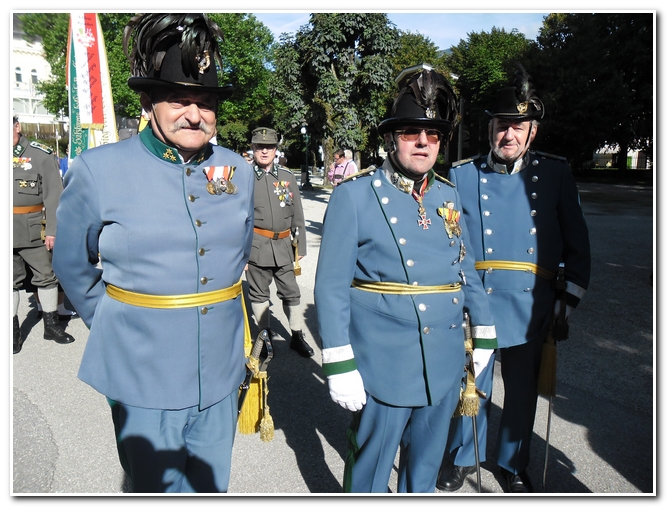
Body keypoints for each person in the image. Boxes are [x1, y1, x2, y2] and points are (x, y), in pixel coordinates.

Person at [52, 13, 254, 493]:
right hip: (141, 367)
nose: (194, 114)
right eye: (180, 100)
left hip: (222, 369)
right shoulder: (98, 169)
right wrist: (115, 319)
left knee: (211, 486)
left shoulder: (238, 170)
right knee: (154, 488)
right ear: (147, 102)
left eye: (205, 102)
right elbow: (72, 263)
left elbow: (236, 255)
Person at [314, 67, 497, 493]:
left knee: (425, 474)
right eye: (412, 131)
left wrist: (484, 328)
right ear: (391, 137)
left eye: (433, 135)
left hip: (444, 359)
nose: (422, 142)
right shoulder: (356, 195)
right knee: (370, 473)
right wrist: (339, 362)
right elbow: (331, 286)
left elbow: (464, 268)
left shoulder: (448, 195)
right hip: (383, 362)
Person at [436, 65, 591, 493]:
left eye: (518, 128)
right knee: (472, 385)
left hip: (532, 305)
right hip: (477, 301)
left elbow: (578, 247)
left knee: (522, 394)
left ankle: (512, 463)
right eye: (503, 125)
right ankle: (463, 458)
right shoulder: (463, 175)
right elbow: (446, 242)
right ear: (491, 129)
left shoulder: (556, 175)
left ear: (532, 133)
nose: (509, 135)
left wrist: (566, 303)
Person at [247, 127, 314, 358]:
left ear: (276, 150)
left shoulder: (286, 177)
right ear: (253, 148)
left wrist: (300, 246)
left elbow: (297, 214)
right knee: (258, 294)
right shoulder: (244, 178)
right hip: (256, 246)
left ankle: (296, 335)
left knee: (291, 293)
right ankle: (264, 336)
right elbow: (236, 219)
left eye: (269, 147)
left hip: (284, 246)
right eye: (259, 146)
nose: (264, 151)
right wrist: (240, 254)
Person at [13, 115, 74, 354]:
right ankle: (13, 333)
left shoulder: (40, 154)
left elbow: (54, 195)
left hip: (32, 228)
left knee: (46, 276)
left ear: (16, 126)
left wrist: (53, 230)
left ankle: (51, 326)